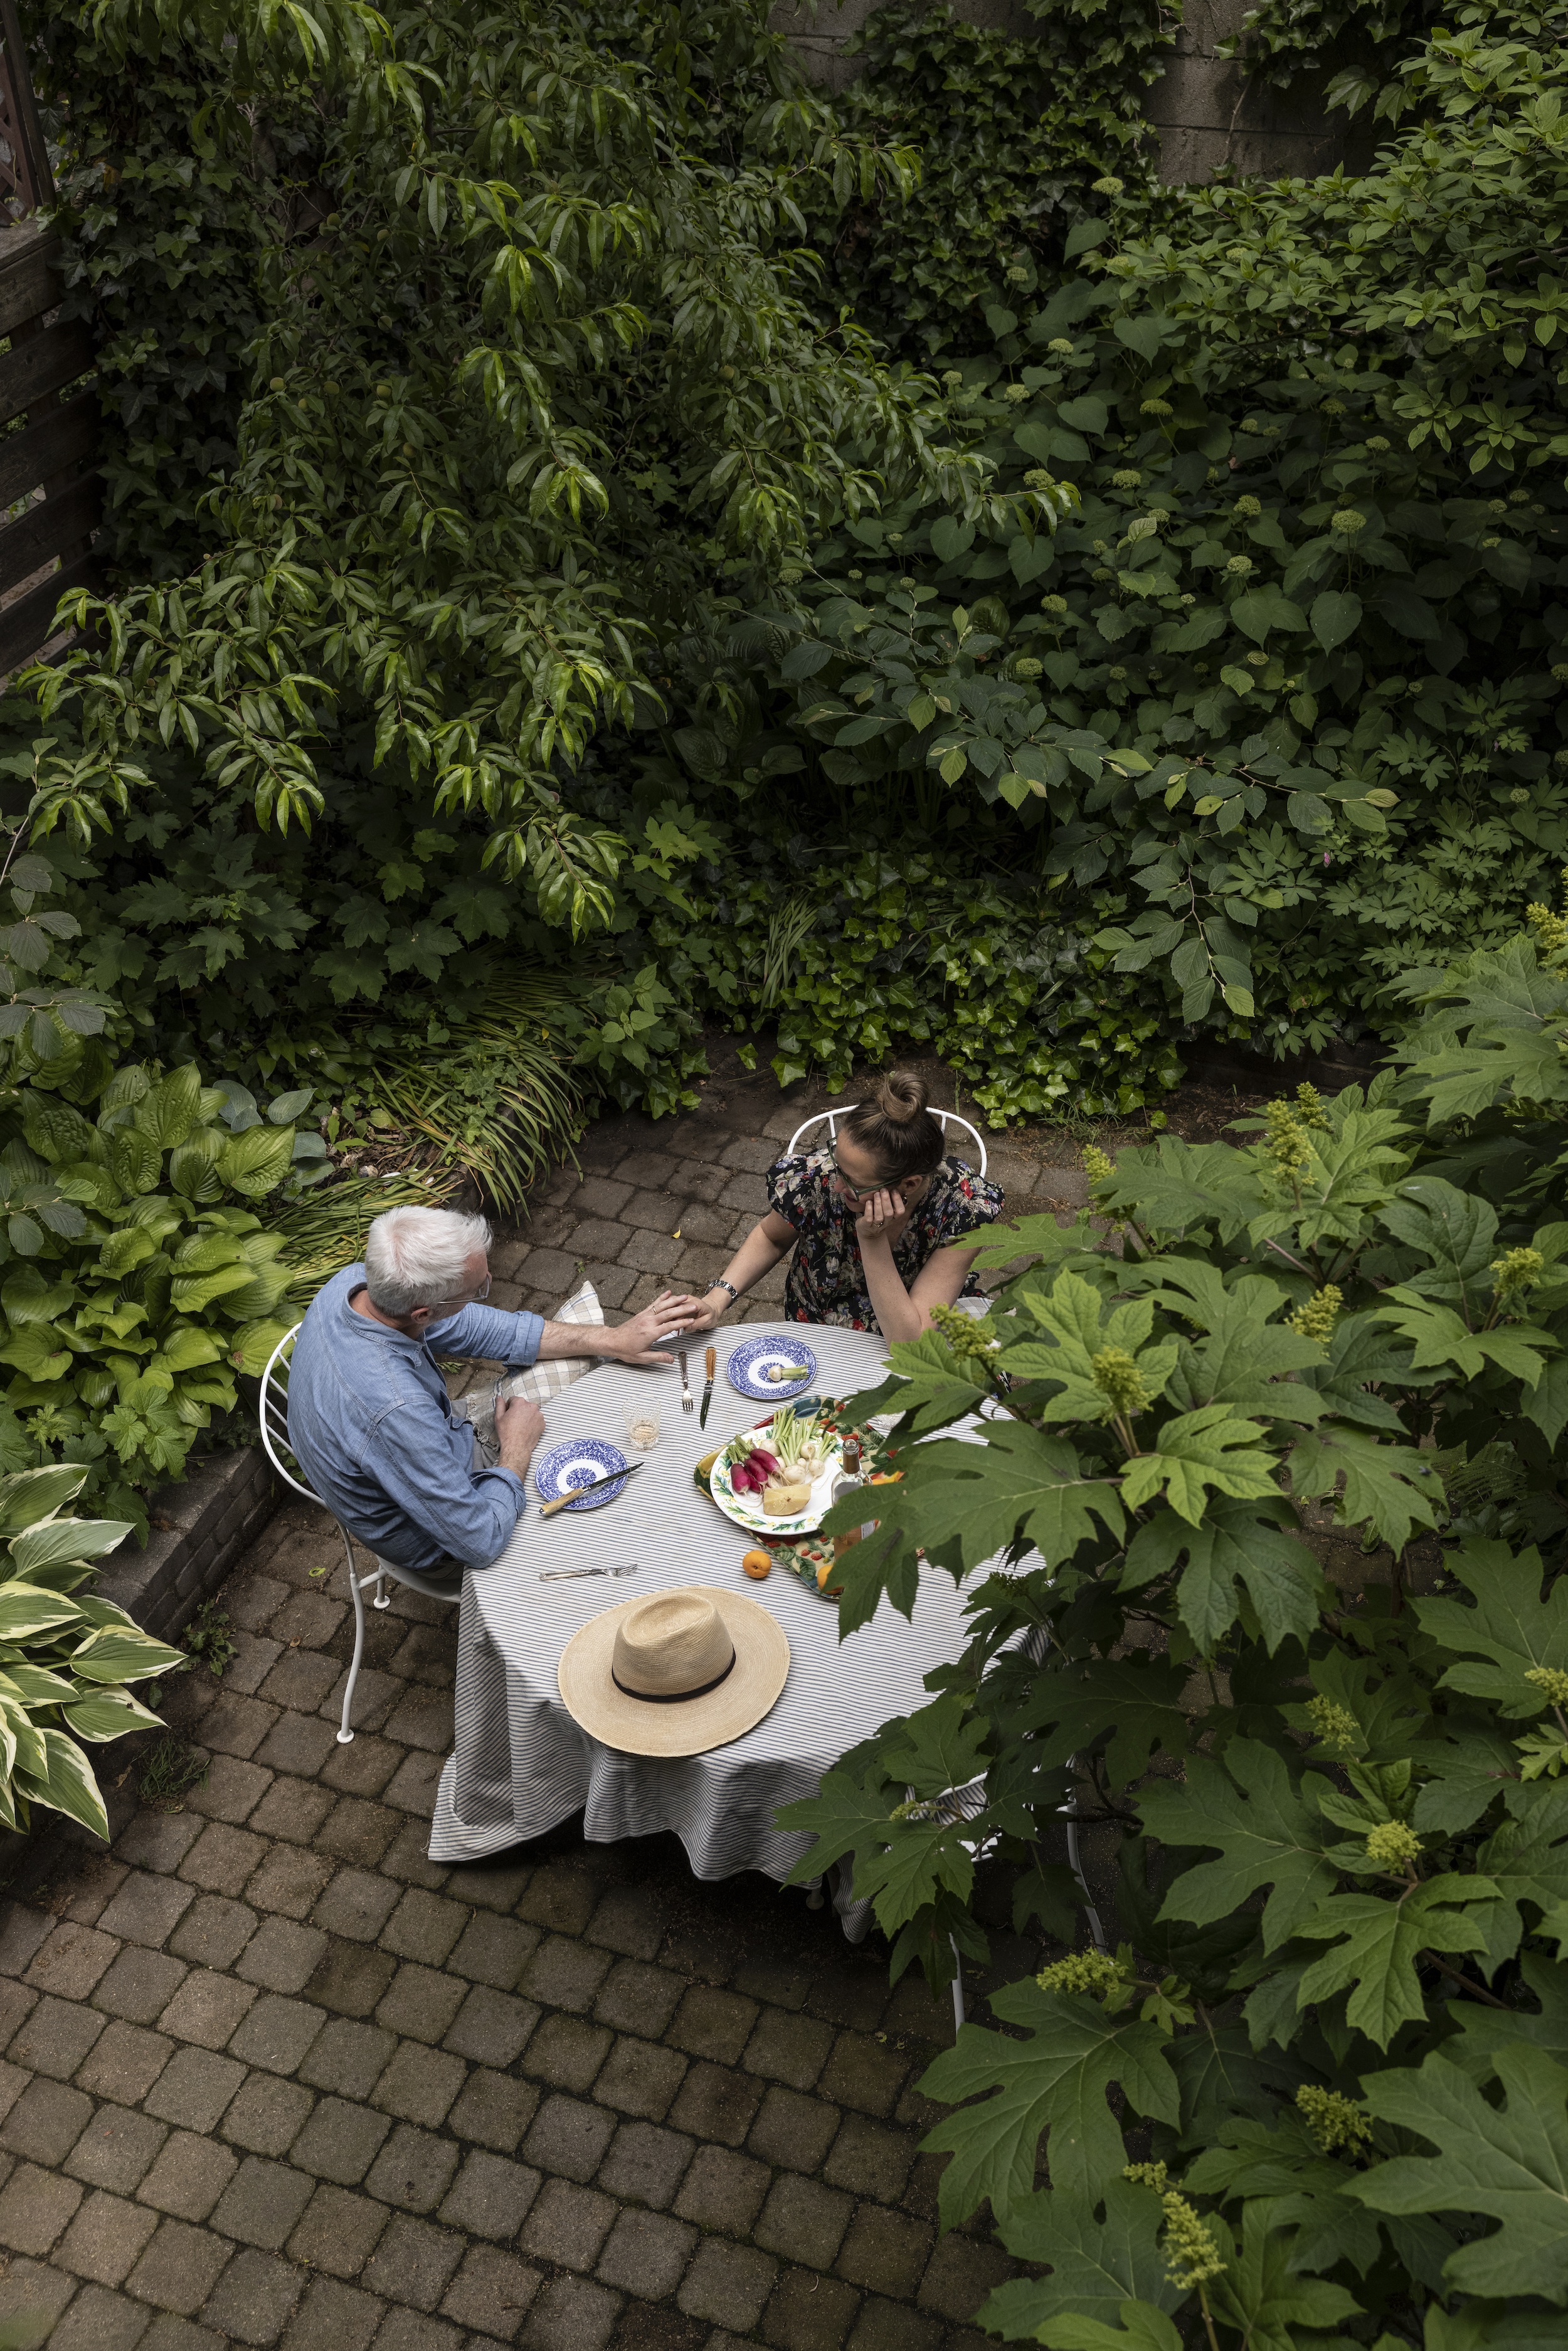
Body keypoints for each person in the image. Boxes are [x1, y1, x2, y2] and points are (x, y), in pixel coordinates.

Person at [287, 1205, 692, 1578]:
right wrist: (516, 1448)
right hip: (440, 1544)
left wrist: (612, 1339)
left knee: (591, 1369)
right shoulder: (394, 1408)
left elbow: (481, 1329)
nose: (488, 1289)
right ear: (423, 1313)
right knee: (588, 1461)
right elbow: (478, 1542)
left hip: (421, 1443)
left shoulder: (359, 1283)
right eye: (477, 1290)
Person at [679, 1071, 1004, 1342]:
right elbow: (772, 1237)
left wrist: (872, 1241)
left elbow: (910, 1343)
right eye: (837, 1166)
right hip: (818, 1320)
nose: (835, 1186)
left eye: (853, 1183)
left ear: (909, 1185)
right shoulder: (822, 1177)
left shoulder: (962, 1210)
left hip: (910, 1327)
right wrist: (716, 1301)